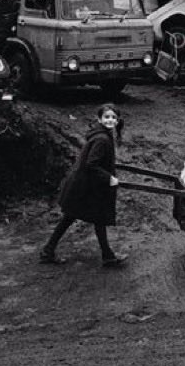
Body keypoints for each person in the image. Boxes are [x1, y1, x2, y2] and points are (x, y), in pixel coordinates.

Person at [40, 103, 126, 268]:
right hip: (85, 187)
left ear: (117, 120)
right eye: (107, 117)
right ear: (99, 119)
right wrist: (109, 178)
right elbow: (91, 164)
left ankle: (48, 251)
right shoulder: (102, 139)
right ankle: (107, 257)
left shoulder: (101, 135)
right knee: (85, 217)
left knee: (81, 217)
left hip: (85, 186)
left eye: (113, 117)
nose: (110, 120)